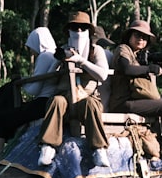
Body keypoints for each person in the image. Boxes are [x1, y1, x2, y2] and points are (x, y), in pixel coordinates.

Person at [106, 18, 162, 159]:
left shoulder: (136, 55)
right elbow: (126, 68)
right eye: (137, 35)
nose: (141, 39)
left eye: (145, 37)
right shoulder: (123, 49)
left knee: (161, 108)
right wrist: (149, 69)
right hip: (122, 103)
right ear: (129, 36)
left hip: (132, 102)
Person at [36, 11, 111, 168]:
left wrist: (81, 61)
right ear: (68, 31)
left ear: (89, 31)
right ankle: (48, 146)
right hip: (65, 98)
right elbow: (50, 78)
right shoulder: (62, 49)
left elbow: (103, 74)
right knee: (56, 101)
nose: (78, 31)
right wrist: (58, 61)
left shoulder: (95, 50)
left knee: (91, 104)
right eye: (74, 28)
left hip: (86, 96)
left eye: (82, 28)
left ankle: (99, 148)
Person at [0, 27, 58, 160]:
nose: (31, 52)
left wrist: (22, 82)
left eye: (31, 47)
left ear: (38, 42)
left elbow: (33, 90)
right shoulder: (54, 55)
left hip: (42, 104)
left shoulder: (44, 56)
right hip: (50, 101)